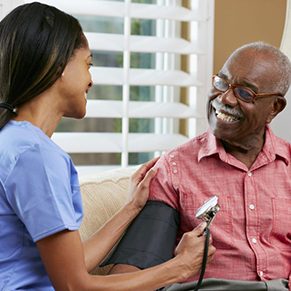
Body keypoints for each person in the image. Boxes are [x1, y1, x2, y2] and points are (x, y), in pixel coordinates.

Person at [0, 2, 216, 290]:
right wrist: (178, 268)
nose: (91, 80)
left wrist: (130, 207)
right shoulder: (35, 156)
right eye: (88, 64)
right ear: (58, 64)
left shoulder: (14, 141)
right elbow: (74, 285)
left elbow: (71, 265)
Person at [106, 41, 291, 291]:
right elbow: (133, 270)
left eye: (245, 93)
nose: (225, 99)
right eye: (222, 83)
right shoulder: (174, 169)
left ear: (274, 108)